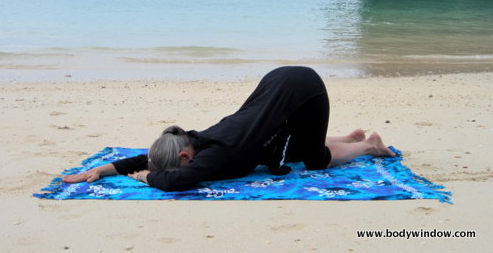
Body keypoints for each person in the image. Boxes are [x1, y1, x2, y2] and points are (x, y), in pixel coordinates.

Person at [63, 66, 395, 191]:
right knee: (291, 147)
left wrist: (145, 177)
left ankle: (368, 145)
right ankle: (350, 137)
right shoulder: (192, 139)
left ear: (184, 155)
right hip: (280, 82)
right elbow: (152, 159)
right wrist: (106, 169)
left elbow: (174, 180)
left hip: (304, 89)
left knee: (315, 160)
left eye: (178, 163)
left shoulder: (213, 155)